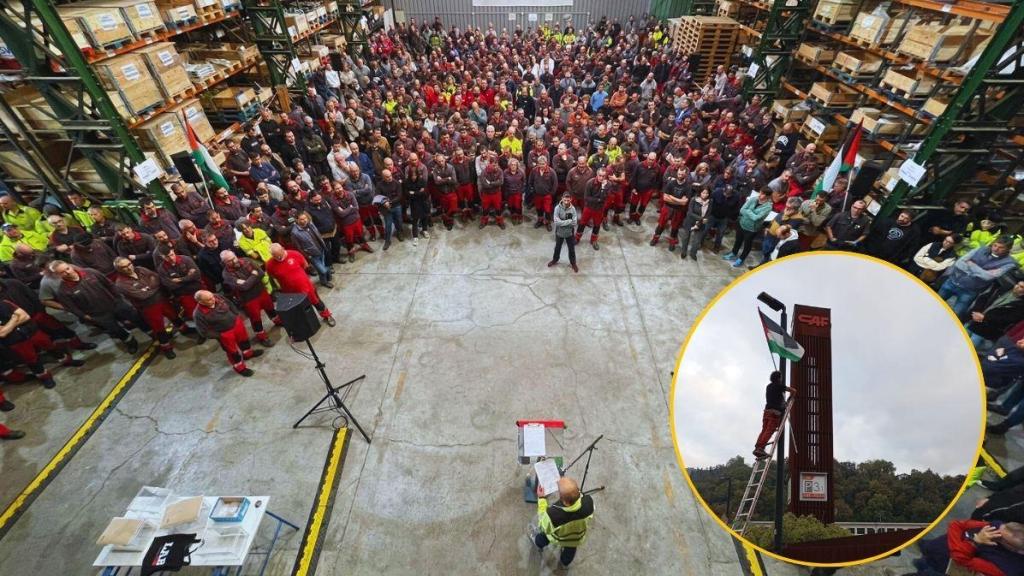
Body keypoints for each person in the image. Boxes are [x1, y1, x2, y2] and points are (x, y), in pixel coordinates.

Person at [112, 257, 182, 360]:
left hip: (162, 299)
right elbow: (142, 296)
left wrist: (148, 289)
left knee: (174, 316)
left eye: (129, 264)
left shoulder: (140, 269)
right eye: (124, 267)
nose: (129, 267)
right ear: (119, 269)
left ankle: (184, 329)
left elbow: (157, 278)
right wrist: (152, 286)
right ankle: (167, 348)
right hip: (148, 307)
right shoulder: (121, 284)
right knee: (159, 329)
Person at [938, 236, 1018, 318]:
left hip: (970, 291)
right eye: (995, 245)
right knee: (936, 303)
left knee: (955, 316)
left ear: (1008, 249)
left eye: (1001, 248)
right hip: (952, 282)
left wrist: (971, 264)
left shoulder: (1009, 263)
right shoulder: (980, 249)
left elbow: (988, 277)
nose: (996, 249)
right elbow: (959, 263)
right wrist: (981, 272)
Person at [529, 476, 595, 570]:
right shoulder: (589, 502)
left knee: (544, 536)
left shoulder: (553, 515)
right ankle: (565, 563)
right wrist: (565, 485)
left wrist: (542, 498)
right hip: (575, 538)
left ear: (562, 498)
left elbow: (543, 525)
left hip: (557, 537)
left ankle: (538, 544)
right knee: (570, 550)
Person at [193, 290, 264, 377]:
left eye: (212, 296)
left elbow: (230, 304)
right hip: (224, 333)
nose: (213, 299)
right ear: (201, 302)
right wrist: (219, 335)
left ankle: (248, 354)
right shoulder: (198, 314)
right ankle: (240, 368)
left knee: (244, 340)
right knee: (232, 352)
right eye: (209, 299)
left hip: (236, 324)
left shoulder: (217, 296)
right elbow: (204, 331)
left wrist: (236, 314)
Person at [265, 243, 336, 327]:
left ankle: (327, 315)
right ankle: (307, 323)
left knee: (317, 302)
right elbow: (273, 276)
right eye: (275, 256)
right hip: (290, 292)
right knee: (298, 308)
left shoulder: (295, 254)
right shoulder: (269, 264)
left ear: (283, 249)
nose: (279, 258)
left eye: (280, 255)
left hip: (306, 287)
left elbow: (305, 266)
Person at [220, 251, 280, 346]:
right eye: (230, 261)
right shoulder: (227, 275)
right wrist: (253, 274)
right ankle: (262, 337)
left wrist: (248, 280)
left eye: (234, 257)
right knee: (255, 319)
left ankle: (278, 321)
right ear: (225, 263)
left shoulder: (246, 260)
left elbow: (261, 273)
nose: (234, 261)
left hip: (261, 292)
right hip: (248, 299)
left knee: (270, 308)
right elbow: (244, 287)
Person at [723, 189, 772, 268]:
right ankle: (733, 253)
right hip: (742, 223)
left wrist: (748, 211)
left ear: (767, 196)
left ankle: (741, 259)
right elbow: (742, 210)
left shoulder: (768, 207)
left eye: (763, 194)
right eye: (760, 193)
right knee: (738, 240)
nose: (760, 195)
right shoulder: (753, 199)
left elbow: (756, 218)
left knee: (747, 244)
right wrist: (750, 213)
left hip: (752, 229)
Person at [753, 371, 795, 459]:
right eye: (781, 377)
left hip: (767, 411)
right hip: (774, 413)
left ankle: (758, 447)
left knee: (764, 430)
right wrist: (790, 398)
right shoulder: (779, 386)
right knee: (769, 430)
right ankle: (760, 448)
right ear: (779, 378)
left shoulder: (768, 386)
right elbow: (793, 390)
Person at [291, 211, 333, 289]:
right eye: (301, 219)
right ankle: (326, 278)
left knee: (324, 266)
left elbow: (318, 235)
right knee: (322, 270)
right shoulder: (295, 232)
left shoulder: (310, 224)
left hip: (321, 249)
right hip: (312, 255)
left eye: (305, 218)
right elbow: (298, 247)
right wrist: (307, 256)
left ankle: (325, 281)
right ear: (297, 220)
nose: (304, 221)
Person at [549, 193, 579, 273]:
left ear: (571, 199)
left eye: (568, 200)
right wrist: (568, 221)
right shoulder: (557, 208)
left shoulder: (573, 209)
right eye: (565, 200)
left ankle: (573, 263)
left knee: (571, 249)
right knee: (557, 247)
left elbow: (574, 223)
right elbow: (556, 222)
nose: (566, 202)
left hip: (569, 233)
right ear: (562, 199)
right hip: (559, 232)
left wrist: (562, 222)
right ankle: (555, 260)